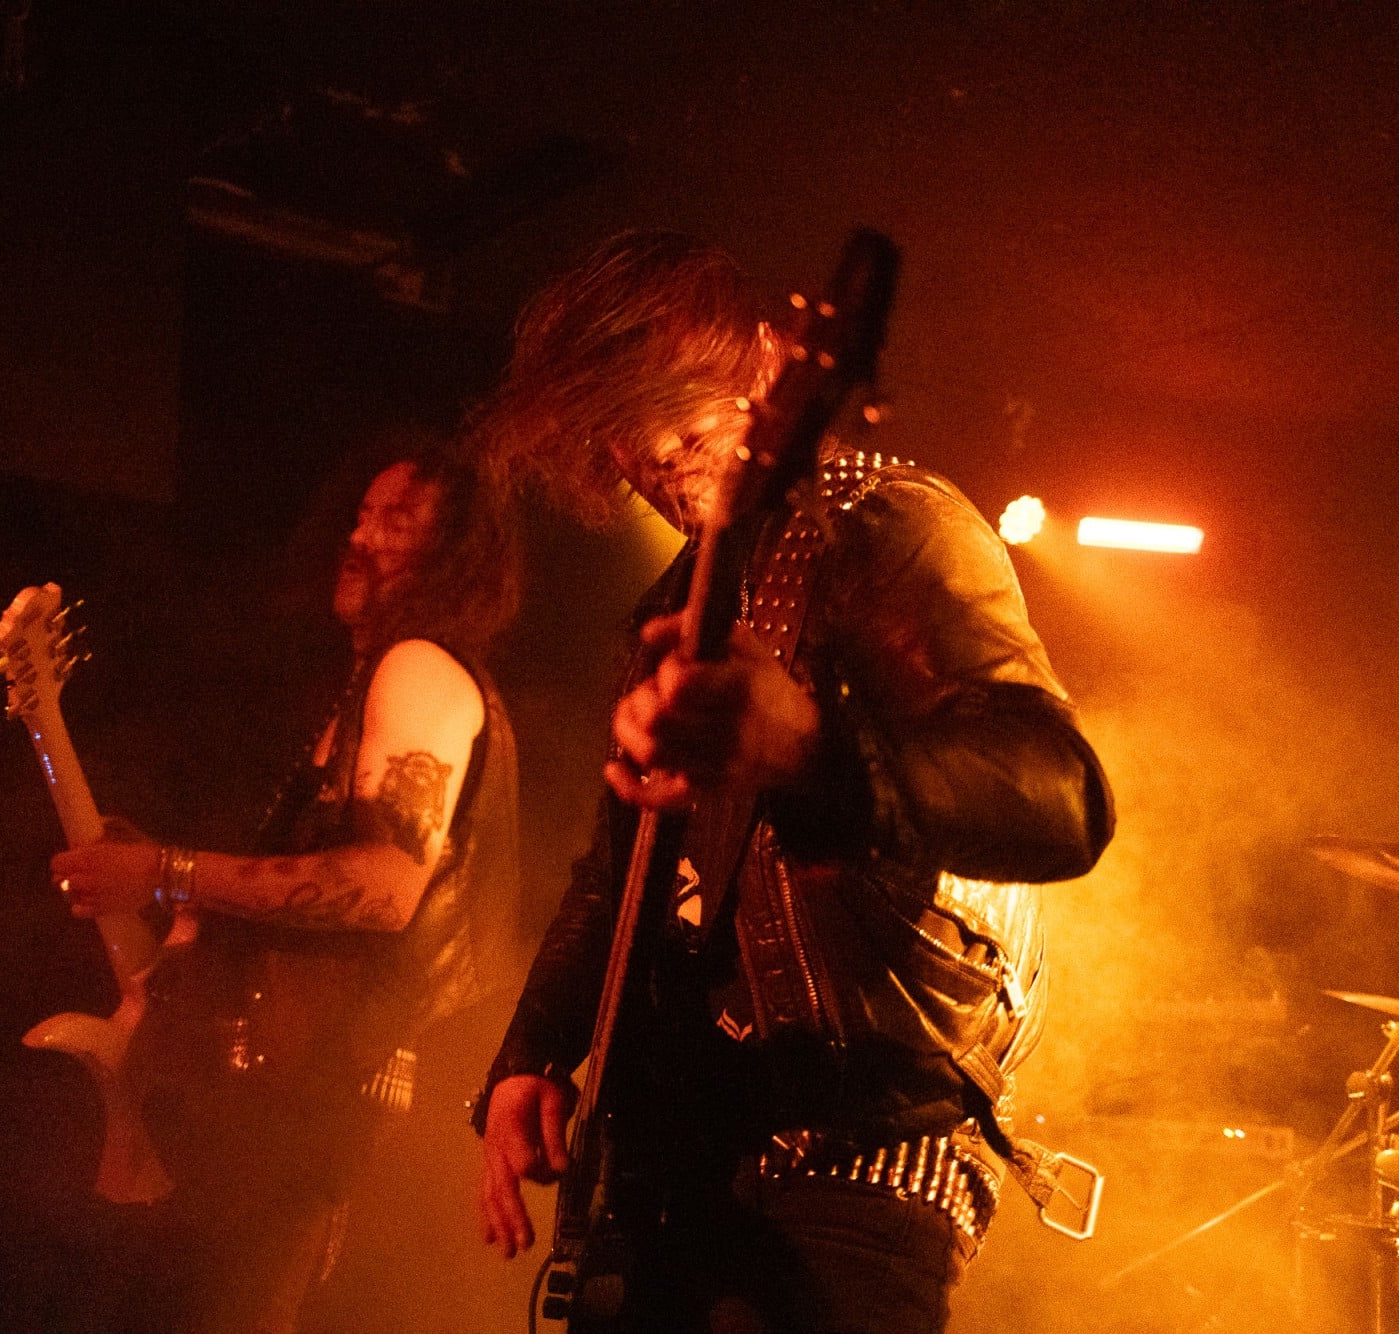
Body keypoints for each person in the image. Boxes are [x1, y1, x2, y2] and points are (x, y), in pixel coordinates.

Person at [470, 232, 1114, 1333]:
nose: (659, 455)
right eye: (627, 433)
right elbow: (618, 868)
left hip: (865, 1140)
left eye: (682, 417)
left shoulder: (892, 527)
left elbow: (1062, 795)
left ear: (769, 362)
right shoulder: (678, 606)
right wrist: (531, 1050)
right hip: (685, 1156)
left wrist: (815, 753)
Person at [53, 447, 522, 1333]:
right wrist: (174, 885)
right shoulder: (371, 685)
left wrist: (167, 870)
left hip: (323, 1120)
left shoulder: (420, 669)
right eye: (361, 515)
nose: (358, 537)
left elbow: (385, 886)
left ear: (456, 558)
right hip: (282, 1116)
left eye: (395, 522)